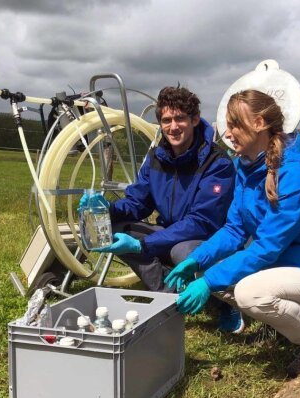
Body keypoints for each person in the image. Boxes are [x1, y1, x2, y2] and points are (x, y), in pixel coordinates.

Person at [164, 89, 300, 377]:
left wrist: (210, 280)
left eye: (235, 124)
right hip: (284, 268)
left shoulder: (293, 175)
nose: (228, 133)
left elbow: (266, 248)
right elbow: (234, 229)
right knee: (211, 272)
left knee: (248, 292)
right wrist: (197, 261)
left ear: (260, 123)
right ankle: (284, 321)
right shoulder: (244, 168)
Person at [84, 86, 244, 332]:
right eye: (166, 120)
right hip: (169, 231)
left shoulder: (217, 163)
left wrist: (143, 245)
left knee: (182, 251)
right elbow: (139, 202)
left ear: (194, 119)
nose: (173, 127)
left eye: (180, 118)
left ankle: (224, 303)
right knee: (115, 228)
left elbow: (201, 221)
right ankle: (169, 294)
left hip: (206, 238)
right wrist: (107, 209)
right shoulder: (157, 157)